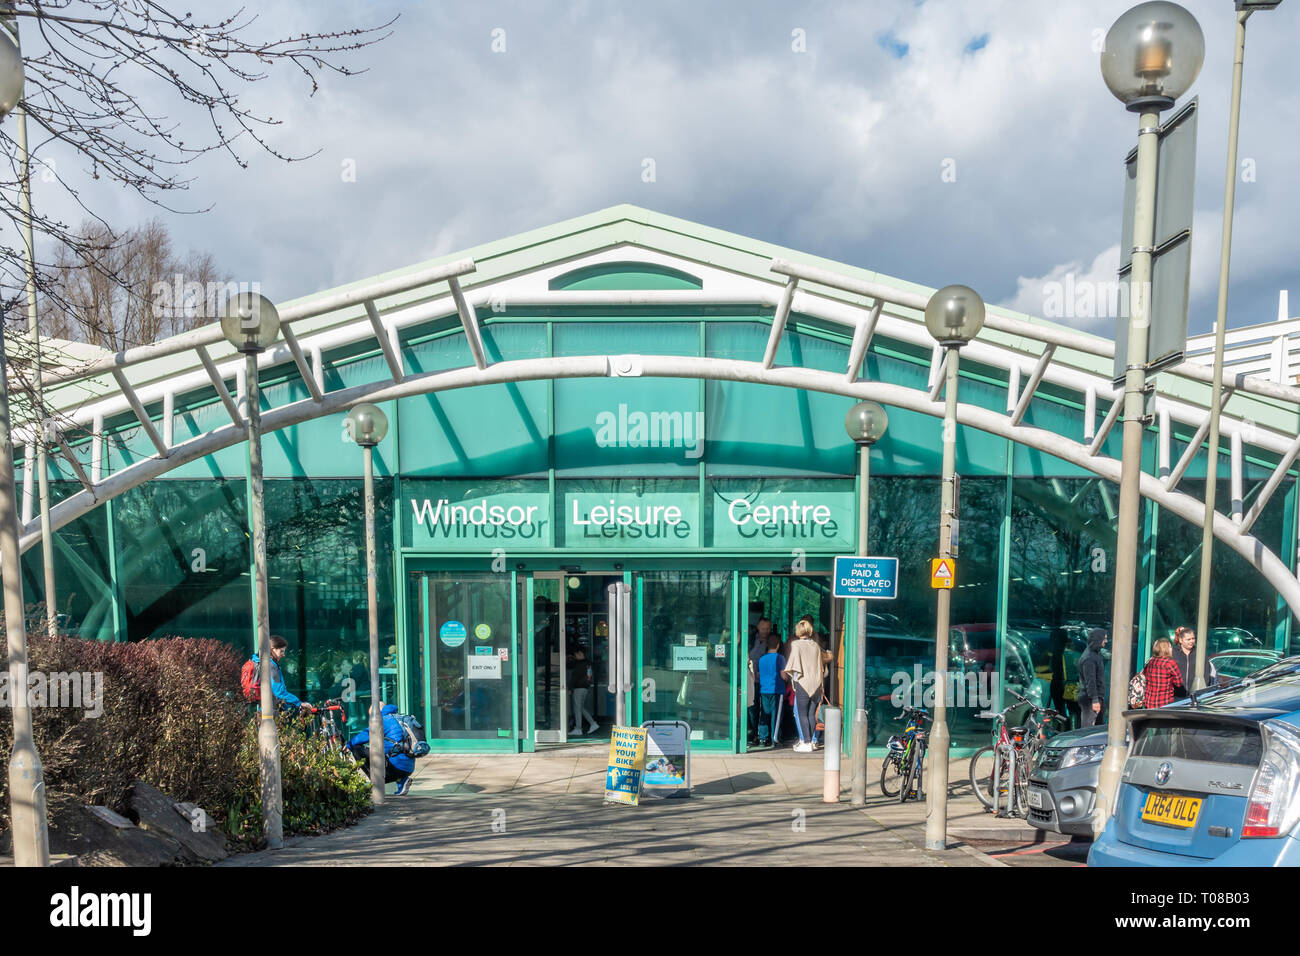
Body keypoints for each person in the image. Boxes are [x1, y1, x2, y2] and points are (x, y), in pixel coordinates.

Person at [347, 702, 416, 796]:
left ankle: (376, 783)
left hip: (395, 768)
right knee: (392, 750)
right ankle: (402, 780)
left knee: (356, 748)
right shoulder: (399, 718)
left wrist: (348, 745)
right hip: (408, 768)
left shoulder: (383, 720)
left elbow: (364, 736)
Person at [782, 620, 829, 753]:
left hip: (802, 683)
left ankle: (806, 742)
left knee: (802, 714)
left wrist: (795, 683)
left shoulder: (796, 644)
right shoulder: (815, 645)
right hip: (816, 684)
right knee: (810, 714)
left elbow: (794, 666)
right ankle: (810, 742)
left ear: (798, 630)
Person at [249, 634, 312, 713]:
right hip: (271, 713)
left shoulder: (262, 663)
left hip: (264, 710)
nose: (283, 654)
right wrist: (299, 703)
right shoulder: (271, 666)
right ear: (272, 650)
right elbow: (278, 692)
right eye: (281, 651)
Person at [756, 635, 786, 747]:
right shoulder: (781, 658)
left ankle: (762, 739)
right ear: (778, 645)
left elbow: (758, 675)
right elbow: (783, 675)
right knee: (776, 715)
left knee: (764, 714)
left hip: (764, 690)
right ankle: (775, 739)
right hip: (777, 690)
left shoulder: (762, 659)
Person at [1140, 637, 1185, 709]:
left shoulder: (1150, 661)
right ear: (1165, 649)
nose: (1172, 649)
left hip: (1149, 702)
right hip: (1164, 702)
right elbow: (1178, 683)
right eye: (1170, 647)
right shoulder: (1170, 663)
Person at [1076, 629, 1107, 727]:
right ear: (1098, 639)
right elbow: (1091, 681)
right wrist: (1095, 700)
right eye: (1104, 639)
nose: (1106, 641)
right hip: (1090, 699)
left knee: (1097, 729)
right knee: (1088, 729)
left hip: (1095, 698)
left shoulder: (1094, 655)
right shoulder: (1089, 658)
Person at [1170, 626, 1216, 693]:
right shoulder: (1173, 653)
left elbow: (1206, 673)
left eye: (1193, 638)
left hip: (1195, 695)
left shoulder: (1200, 653)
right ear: (1180, 640)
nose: (1191, 641)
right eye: (1188, 639)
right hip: (1176, 695)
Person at [748, 617, 772, 743]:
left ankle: (764, 735)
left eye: (768, 628)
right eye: (763, 628)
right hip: (752, 681)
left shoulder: (772, 642)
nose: (766, 631)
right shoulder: (751, 640)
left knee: (765, 710)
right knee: (752, 709)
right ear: (758, 628)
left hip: (766, 682)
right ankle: (752, 734)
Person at [569, 647, 598, 736]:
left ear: (580, 653)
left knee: (578, 708)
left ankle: (579, 728)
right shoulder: (588, 664)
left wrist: (570, 688)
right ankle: (593, 724)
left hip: (578, 688)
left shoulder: (579, 665)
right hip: (585, 688)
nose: (575, 656)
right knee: (580, 707)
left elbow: (574, 678)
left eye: (576, 655)